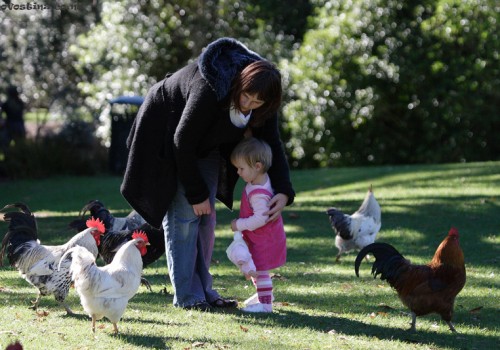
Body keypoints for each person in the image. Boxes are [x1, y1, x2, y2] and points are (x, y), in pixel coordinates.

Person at [121, 37, 295, 311]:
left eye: (257, 101)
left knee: (207, 217)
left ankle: (205, 291)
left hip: (205, 142)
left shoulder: (262, 98)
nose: (249, 103)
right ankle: (188, 298)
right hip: (165, 130)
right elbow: (182, 140)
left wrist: (284, 191)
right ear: (238, 83)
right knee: (185, 216)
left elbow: (271, 143)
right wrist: (196, 192)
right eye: (245, 96)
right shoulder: (210, 85)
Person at [229, 137, 286, 313]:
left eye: (241, 168)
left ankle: (266, 305)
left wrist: (239, 224)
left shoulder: (258, 193)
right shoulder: (258, 180)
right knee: (256, 268)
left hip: (265, 240)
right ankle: (263, 294)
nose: (238, 172)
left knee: (261, 270)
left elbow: (260, 219)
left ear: (258, 167)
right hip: (260, 238)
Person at [0, 85, 26, 150]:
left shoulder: (7, 103)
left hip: (10, 125)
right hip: (19, 125)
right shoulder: (20, 102)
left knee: (6, 143)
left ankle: (9, 156)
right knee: (20, 144)